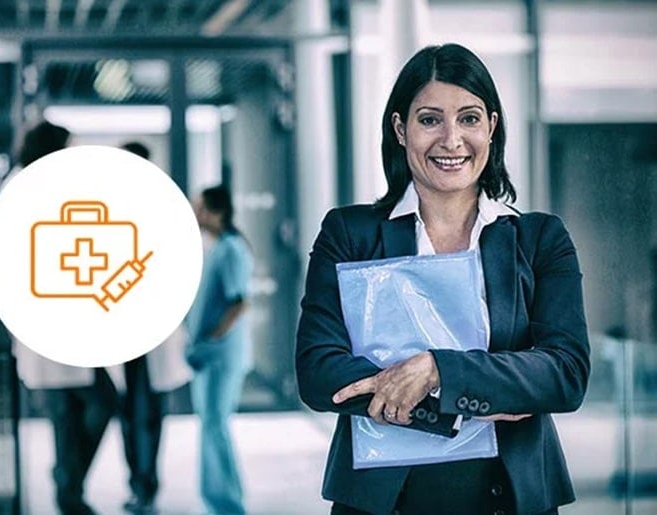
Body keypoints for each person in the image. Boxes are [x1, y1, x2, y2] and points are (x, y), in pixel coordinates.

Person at [296, 43, 591, 515]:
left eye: (470, 118)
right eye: (430, 119)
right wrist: (477, 396)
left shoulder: (539, 240)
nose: (452, 140)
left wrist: (438, 370)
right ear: (400, 129)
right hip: (382, 502)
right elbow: (319, 371)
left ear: (492, 128)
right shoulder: (350, 234)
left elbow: (564, 373)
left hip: (509, 498)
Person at [9, 120, 117, 515]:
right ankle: (68, 491)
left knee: (84, 411)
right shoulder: (26, 186)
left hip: (67, 324)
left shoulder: (48, 185)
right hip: (46, 323)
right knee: (79, 411)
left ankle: (68, 487)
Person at [116, 140, 193, 515]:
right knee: (133, 414)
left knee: (143, 415)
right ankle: (140, 484)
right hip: (123, 332)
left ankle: (144, 486)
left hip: (151, 333)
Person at [185, 184, 254, 515]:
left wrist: (211, 339)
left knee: (215, 424)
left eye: (200, 208)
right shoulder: (216, 248)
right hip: (209, 353)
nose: (196, 214)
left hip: (221, 354)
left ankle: (227, 504)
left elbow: (239, 303)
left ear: (216, 212)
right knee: (211, 424)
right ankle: (218, 499)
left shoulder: (231, 249)